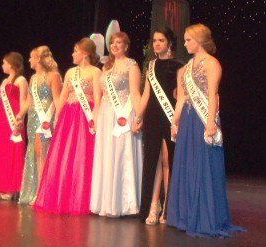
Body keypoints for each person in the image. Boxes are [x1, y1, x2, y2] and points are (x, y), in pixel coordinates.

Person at [166, 23, 244, 237]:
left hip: (202, 120)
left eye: (188, 39)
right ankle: (184, 215)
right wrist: (175, 120)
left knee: (202, 165)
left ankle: (204, 216)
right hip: (188, 120)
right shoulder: (185, 68)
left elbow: (212, 96)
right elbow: (181, 98)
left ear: (199, 40)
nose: (184, 43)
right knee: (186, 164)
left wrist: (210, 122)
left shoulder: (212, 64)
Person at [33, 38, 102, 214]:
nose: (72, 54)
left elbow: (97, 97)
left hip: (85, 117)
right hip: (69, 117)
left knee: (81, 156)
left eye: (75, 50)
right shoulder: (71, 72)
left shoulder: (96, 72)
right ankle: (61, 196)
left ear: (84, 53)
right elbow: (63, 96)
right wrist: (57, 117)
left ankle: (79, 199)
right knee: (64, 156)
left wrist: (95, 118)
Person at [90, 32, 143, 217]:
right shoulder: (106, 67)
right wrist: (95, 118)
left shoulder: (132, 65)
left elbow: (135, 93)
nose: (114, 46)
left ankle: (123, 203)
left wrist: (138, 117)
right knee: (107, 155)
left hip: (124, 114)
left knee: (121, 154)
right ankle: (106, 202)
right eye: (112, 43)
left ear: (126, 46)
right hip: (106, 115)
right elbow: (101, 96)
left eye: (118, 43)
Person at [137, 27, 184, 224]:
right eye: (155, 41)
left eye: (161, 40)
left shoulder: (180, 65)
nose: (157, 44)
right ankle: (149, 208)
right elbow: (147, 94)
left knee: (170, 162)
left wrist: (176, 120)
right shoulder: (151, 65)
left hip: (171, 116)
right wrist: (138, 116)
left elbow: (181, 95)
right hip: (153, 118)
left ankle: (168, 208)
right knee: (150, 162)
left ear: (170, 43)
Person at [18, 46, 62, 204]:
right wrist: (19, 116)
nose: (29, 60)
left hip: (45, 120)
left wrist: (59, 119)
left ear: (38, 59)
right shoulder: (33, 78)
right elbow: (29, 100)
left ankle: (41, 193)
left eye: (31, 57)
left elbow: (57, 99)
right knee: (35, 153)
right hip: (33, 119)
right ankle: (35, 190)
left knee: (41, 153)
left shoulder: (53, 76)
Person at [0, 52, 28, 200]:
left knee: (14, 151)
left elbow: (24, 101)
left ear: (11, 64)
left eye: (4, 62)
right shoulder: (5, 81)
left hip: (14, 120)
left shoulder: (21, 80)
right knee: (3, 152)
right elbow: (1, 103)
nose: (2, 65)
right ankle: (3, 186)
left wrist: (20, 120)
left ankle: (12, 189)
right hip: (2, 120)